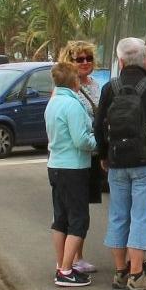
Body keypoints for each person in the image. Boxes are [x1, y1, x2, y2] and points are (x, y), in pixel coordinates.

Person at [95, 37, 146, 290]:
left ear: (120, 60)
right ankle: (137, 273)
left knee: (118, 215)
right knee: (141, 217)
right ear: (143, 59)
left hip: (117, 162)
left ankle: (120, 271)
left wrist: (104, 155)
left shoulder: (110, 88)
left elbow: (99, 126)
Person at [44, 61, 97, 287]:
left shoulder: (53, 102)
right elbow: (81, 140)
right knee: (78, 220)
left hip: (55, 164)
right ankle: (66, 270)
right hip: (73, 167)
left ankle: (61, 264)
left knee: (61, 218)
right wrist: (98, 143)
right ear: (74, 80)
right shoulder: (73, 105)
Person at [57, 40, 102, 274]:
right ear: (69, 62)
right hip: (75, 155)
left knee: (83, 206)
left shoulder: (96, 85)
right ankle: (69, 260)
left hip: (91, 156)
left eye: (88, 58)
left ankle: (78, 256)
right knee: (73, 211)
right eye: (79, 59)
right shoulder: (66, 92)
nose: (85, 63)